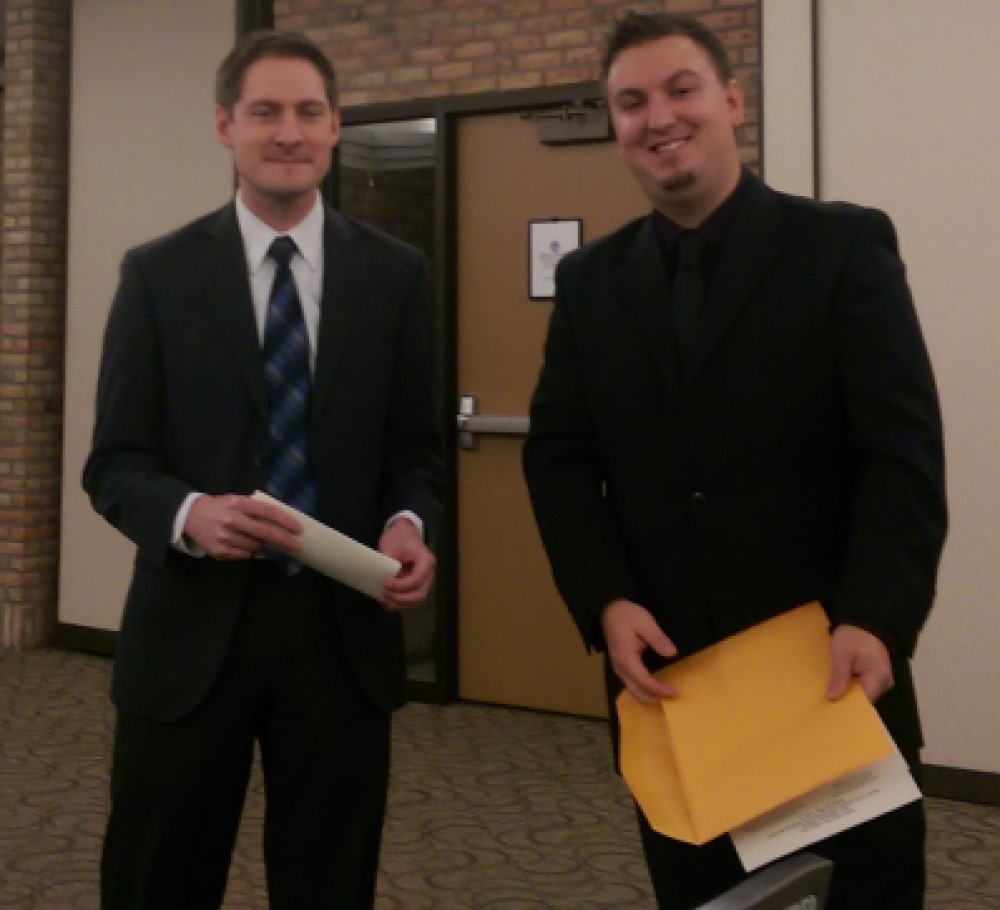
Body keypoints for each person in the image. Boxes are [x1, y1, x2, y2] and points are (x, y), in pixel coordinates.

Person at [522, 12, 946, 910]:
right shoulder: (592, 281)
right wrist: (604, 597)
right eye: (631, 102)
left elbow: (901, 457)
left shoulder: (842, 247)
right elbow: (559, 457)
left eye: (681, 89)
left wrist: (876, 615)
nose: (658, 117)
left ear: (731, 101)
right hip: (676, 688)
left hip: (828, 677)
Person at [84, 29, 442, 910]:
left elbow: (418, 451)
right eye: (265, 111)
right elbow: (116, 463)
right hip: (190, 634)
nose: (289, 131)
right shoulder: (159, 274)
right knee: (157, 878)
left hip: (338, 640)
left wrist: (410, 523)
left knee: (329, 883)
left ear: (335, 127)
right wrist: (189, 514)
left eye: (308, 112)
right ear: (224, 126)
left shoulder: (396, 277)